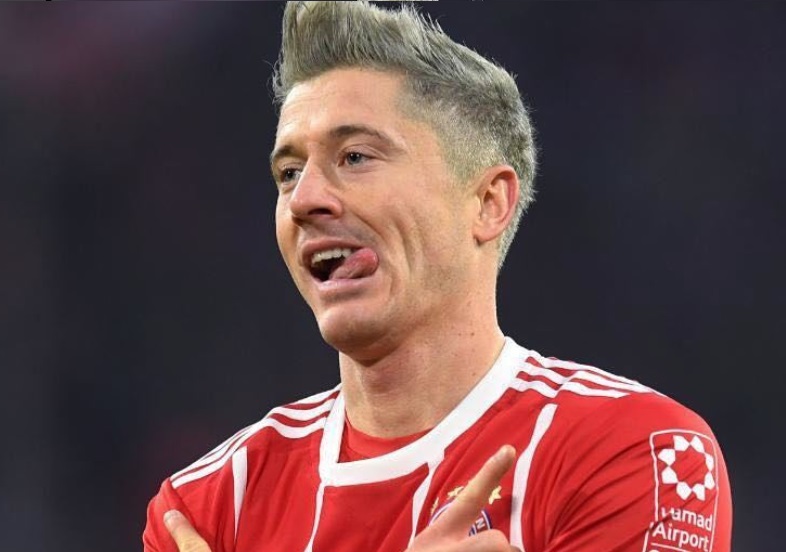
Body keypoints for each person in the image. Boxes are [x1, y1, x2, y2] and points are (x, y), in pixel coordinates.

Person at [143, 2, 732, 551]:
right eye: (289, 172)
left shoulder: (638, 450)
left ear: (488, 203)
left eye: (355, 157)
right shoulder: (208, 504)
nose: (304, 199)